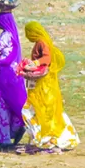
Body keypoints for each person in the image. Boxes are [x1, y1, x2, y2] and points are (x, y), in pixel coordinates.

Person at [20, 21, 79, 151]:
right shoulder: (40, 42)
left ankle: (49, 137)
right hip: (42, 82)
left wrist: (34, 63)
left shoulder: (42, 42)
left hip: (44, 83)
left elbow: (46, 58)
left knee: (42, 107)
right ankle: (41, 137)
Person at [0, 3, 28, 147]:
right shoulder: (14, 35)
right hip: (13, 75)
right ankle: (16, 128)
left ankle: (1, 138)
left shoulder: (5, 35)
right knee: (12, 102)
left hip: (4, 75)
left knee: (0, 105)